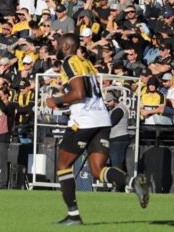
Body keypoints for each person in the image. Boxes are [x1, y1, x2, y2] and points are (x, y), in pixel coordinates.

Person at [45, 34, 150, 225]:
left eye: (58, 44)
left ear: (66, 46)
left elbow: (79, 93)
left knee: (63, 165)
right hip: (101, 118)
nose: (56, 47)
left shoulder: (69, 61)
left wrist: (56, 100)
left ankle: (74, 215)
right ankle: (133, 182)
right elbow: (84, 94)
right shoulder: (86, 63)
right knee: (97, 170)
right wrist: (66, 102)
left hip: (84, 121)